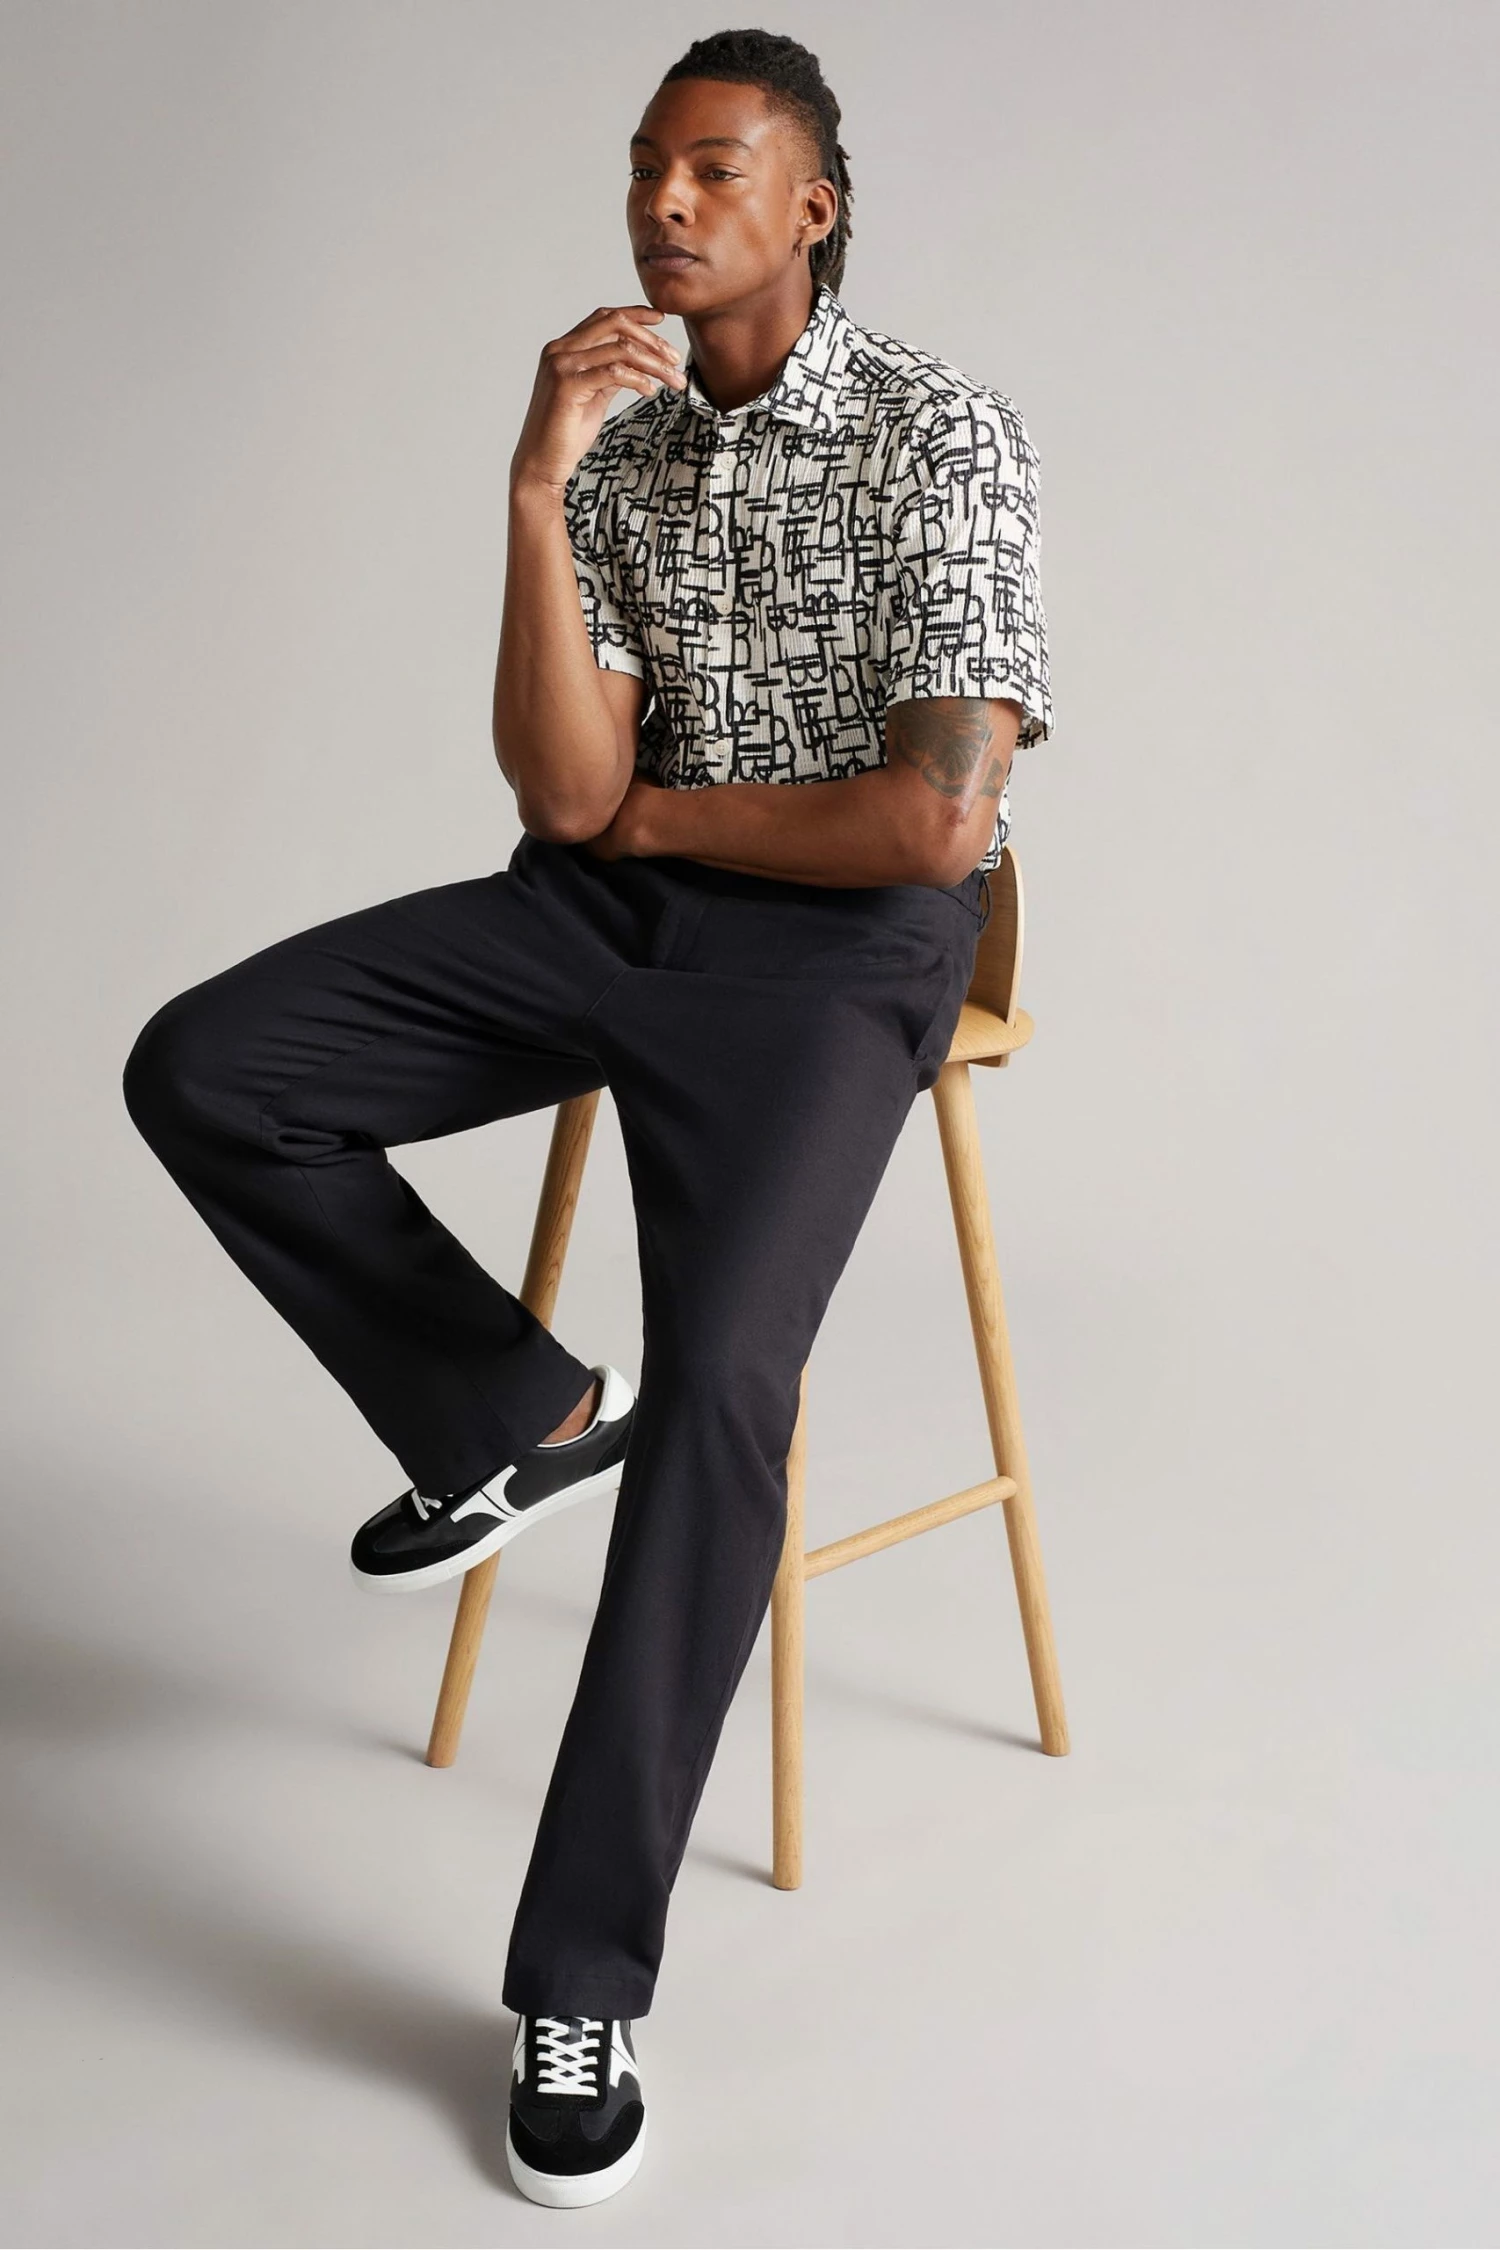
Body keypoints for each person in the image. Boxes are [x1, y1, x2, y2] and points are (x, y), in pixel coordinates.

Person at [122, 25, 1053, 2211]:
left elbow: (930, 824)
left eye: (715, 169)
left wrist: (666, 822)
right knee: (212, 1067)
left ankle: (581, 1983)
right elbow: (562, 792)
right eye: (647, 168)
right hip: (611, 910)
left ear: (814, 204)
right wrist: (537, 483)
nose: (666, 203)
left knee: (728, 1391)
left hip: (844, 958)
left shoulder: (942, 432)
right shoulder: (621, 451)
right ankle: (515, 1412)